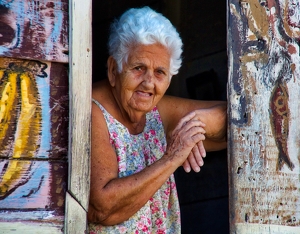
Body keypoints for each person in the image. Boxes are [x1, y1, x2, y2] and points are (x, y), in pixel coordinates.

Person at [88, 6, 227, 233]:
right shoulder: (92, 111)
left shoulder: (157, 111)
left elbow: (239, 121)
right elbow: (103, 208)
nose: (149, 83)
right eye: (138, 68)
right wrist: (173, 157)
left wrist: (194, 125)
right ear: (114, 70)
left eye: (160, 72)